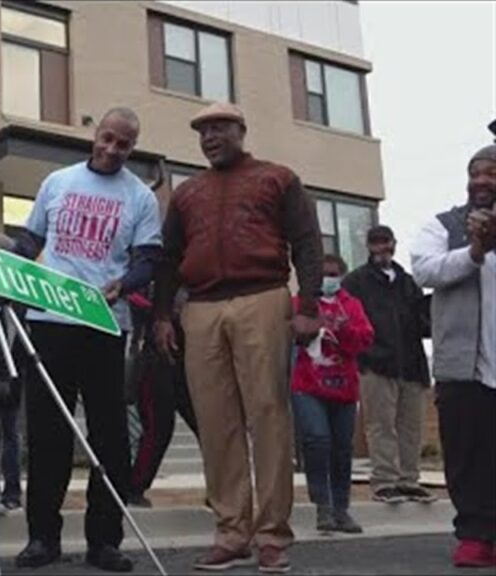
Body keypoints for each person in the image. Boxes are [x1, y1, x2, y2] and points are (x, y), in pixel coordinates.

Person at [154, 102, 323, 574]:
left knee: (267, 413)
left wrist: (308, 306)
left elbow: (308, 241)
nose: (210, 137)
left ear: (241, 131)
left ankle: (272, 535)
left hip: (263, 296)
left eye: (219, 128)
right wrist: (163, 315)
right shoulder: (187, 193)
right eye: (203, 131)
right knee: (215, 422)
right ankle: (231, 532)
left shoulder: (278, 178)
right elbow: (169, 259)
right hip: (201, 308)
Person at [7, 107, 163, 573]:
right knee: (47, 433)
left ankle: (104, 541)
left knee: (110, 437)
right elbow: (28, 244)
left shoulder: (140, 198)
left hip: (104, 324)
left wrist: (124, 285)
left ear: (132, 148)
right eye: (107, 139)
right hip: (49, 320)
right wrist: (6, 281)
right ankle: (42, 538)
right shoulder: (57, 182)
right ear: (95, 136)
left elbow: (149, 260)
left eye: (124, 145)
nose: (113, 150)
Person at [410, 143, 495, 568]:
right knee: (466, 454)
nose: (481, 181)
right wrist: (475, 252)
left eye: (490, 173)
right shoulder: (444, 225)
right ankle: (476, 536)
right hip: (463, 366)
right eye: (474, 173)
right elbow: (425, 269)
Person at [342, 225, 435, 505]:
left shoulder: (408, 282)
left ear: (394, 244)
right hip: (376, 363)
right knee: (380, 424)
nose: (382, 248)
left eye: (386, 243)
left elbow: (424, 323)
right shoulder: (356, 282)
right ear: (369, 246)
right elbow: (348, 320)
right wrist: (365, 354)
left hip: (411, 365)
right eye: (377, 243)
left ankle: (409, 479)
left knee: (411, 426)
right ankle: (385, 480)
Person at [291, 254, 374, 534]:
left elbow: (364, 339)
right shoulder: (300, 303)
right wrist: (311, 325)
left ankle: (341, 507)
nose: (328, 279)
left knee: (342, 448)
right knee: (316, 439)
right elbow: (288, 333)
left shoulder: (352, 305)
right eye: (323, 273)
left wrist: (343, 326)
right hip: (307, 384)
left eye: (333, 274)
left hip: (344, 387)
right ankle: (322, 505)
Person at [126, 288, 200, 508]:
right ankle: (135, 486)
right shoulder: (148, 273)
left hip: (190, 361)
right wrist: (163, 312)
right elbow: (135, 300)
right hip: (156, 360)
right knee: (158, 429)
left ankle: (221, 488)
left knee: (208, 427)